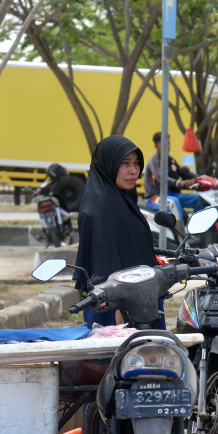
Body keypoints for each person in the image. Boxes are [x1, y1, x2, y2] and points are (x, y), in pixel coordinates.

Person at [74, 135, 161, 328]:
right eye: (125, 163)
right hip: (116, 306)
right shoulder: (102, 207)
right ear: (108, 165)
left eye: (137, 163)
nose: (134, 170)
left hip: (138, 297)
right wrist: (119, 307)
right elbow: (104, 261)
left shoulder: (121, 199)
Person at [144, 132, 201, 219]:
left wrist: (200, 178)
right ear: (156, 146)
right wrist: (178, 183)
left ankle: (197, 229)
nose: (167, 146)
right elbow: (160, 177)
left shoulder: (171, 160)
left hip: (172, 195)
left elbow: (184, 172)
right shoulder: (154, 160)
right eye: (163, 143)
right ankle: (179, 232)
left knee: (198, 198)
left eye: (168, 143)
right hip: (155, 198)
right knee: (173, 202)